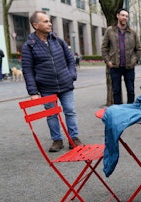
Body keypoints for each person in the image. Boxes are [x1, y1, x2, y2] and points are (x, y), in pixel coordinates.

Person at [21, 10, 83, 152]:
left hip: (66, 84)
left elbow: (70, 60)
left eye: (49, 21)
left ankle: (74, 138)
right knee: (51, 114)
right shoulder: (29, 46)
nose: (50, 24)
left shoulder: (58, 40)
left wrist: (71, 75)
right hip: (46, 87)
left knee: (70, 111)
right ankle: (57, 140)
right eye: (46, 21)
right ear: (36, 25)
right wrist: (33, 91)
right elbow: (27, 70)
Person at [101, 8, 141, 104]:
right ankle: (119, 112)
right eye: (123, 15)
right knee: (116, 91)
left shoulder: (133, 32)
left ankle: (131, 111)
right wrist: (108, 61)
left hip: (129, 67)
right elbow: (104, 47)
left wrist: (134, 61)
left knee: (131, 91)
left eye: (127, 16)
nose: (125, 18)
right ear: (118, 16)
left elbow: (139, 48)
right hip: (115, 66)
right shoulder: (110, 31)